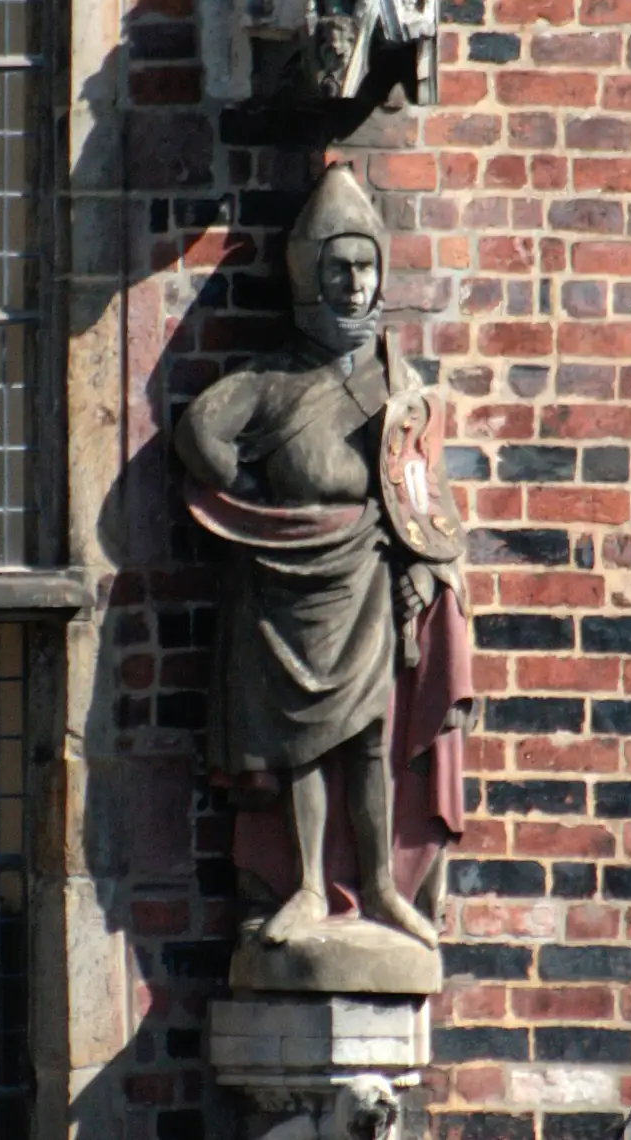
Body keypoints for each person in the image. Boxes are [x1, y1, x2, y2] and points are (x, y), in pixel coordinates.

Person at [175, 164, 472, 949]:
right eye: (337, 267)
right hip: (287, 575)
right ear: (310, 272)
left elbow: (421, 482)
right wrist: (246, 490)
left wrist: (424, 559)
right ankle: (307, 883)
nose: (352, 282)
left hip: (368, 573)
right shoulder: (274, 380)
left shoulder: (394, 380)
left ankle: (377, 883)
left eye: (364, 266)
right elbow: (201, 432)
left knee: (371, 736)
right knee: (298, 742)